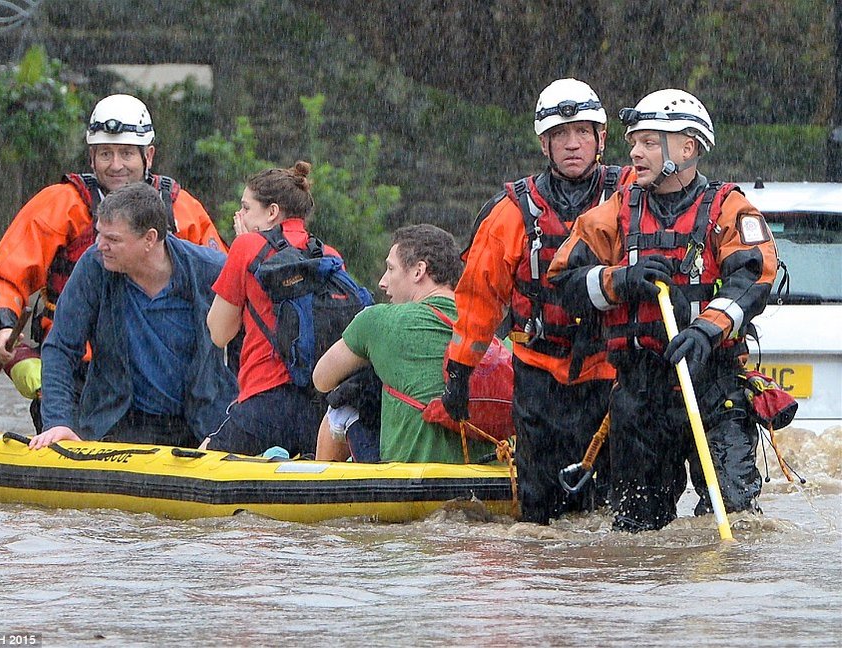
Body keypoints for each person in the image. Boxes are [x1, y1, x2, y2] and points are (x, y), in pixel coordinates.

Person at [547, 88, 779, 532]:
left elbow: (754, 277)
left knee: (732, 516)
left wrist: (705, 331)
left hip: (713, 383)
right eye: (634, 142)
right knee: (636, 530)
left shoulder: (727, 208)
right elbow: (563, 282)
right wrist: (618, 281)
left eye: (649, 142)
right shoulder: (614, 214)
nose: (634, 152)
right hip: (640, 390)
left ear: (687, 148)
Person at [441, 78, 633, 523]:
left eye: (582, 133)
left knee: (615, 510)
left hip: (615, 371)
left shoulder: (632, 199)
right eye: (560, 135)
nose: (572, 145)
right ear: (543, 144)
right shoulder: (510, 212)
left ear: (601, 138)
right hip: (539, 375)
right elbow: (477, 301)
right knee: (540, 507)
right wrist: (459, 372)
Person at [0, 93, 226, 431]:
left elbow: (227, 291)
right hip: (77, 366)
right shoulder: (60, 205)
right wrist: (4, 326)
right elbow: (6, 275)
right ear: (92, 157)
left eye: (126, 153)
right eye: (105, 154)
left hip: (164, 371)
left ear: (148, 155)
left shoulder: (182, 209)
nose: (116, 165)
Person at [28, 182, 236, 449]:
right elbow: (60, 348)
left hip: (200, 422)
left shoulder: (211, 270)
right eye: (99, 234)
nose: (100, 245)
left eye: (113, 239)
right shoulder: (94, 267)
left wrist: (236, 418)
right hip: (119, 421)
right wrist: (58, 421)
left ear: (150, 239)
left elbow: (248, 348)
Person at [314, 224, 490, 464]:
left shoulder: (378, 320)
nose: (382, 282)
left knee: (344, 402)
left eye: (390, 268)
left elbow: (321, 379)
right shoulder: (485, 326)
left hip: (410, 482)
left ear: (419, 271)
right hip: (484, 475)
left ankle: (320, 496)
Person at [202, 162, 341, 457]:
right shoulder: (328, 255)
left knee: (202, 460)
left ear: (272, 212)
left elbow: (218, 332)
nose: (239, 216)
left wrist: (242, 247)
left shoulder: (247, 247)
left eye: (246, 207)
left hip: (263, 399)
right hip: (316, 408)